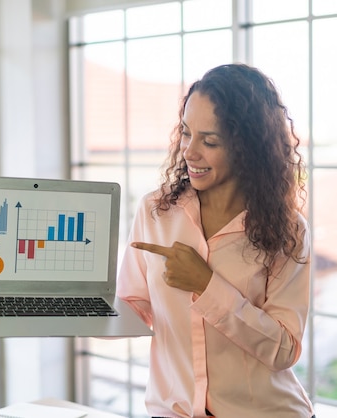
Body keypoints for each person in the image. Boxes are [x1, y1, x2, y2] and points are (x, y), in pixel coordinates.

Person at [116, 63, 315, 418]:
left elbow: (285, 348)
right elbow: (135, 305)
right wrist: (73, 309)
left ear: (247, 148)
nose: (190, 152)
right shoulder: (155, 211)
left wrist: (205, 285)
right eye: (187, 133)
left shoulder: (289, 231)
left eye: (210, 141)